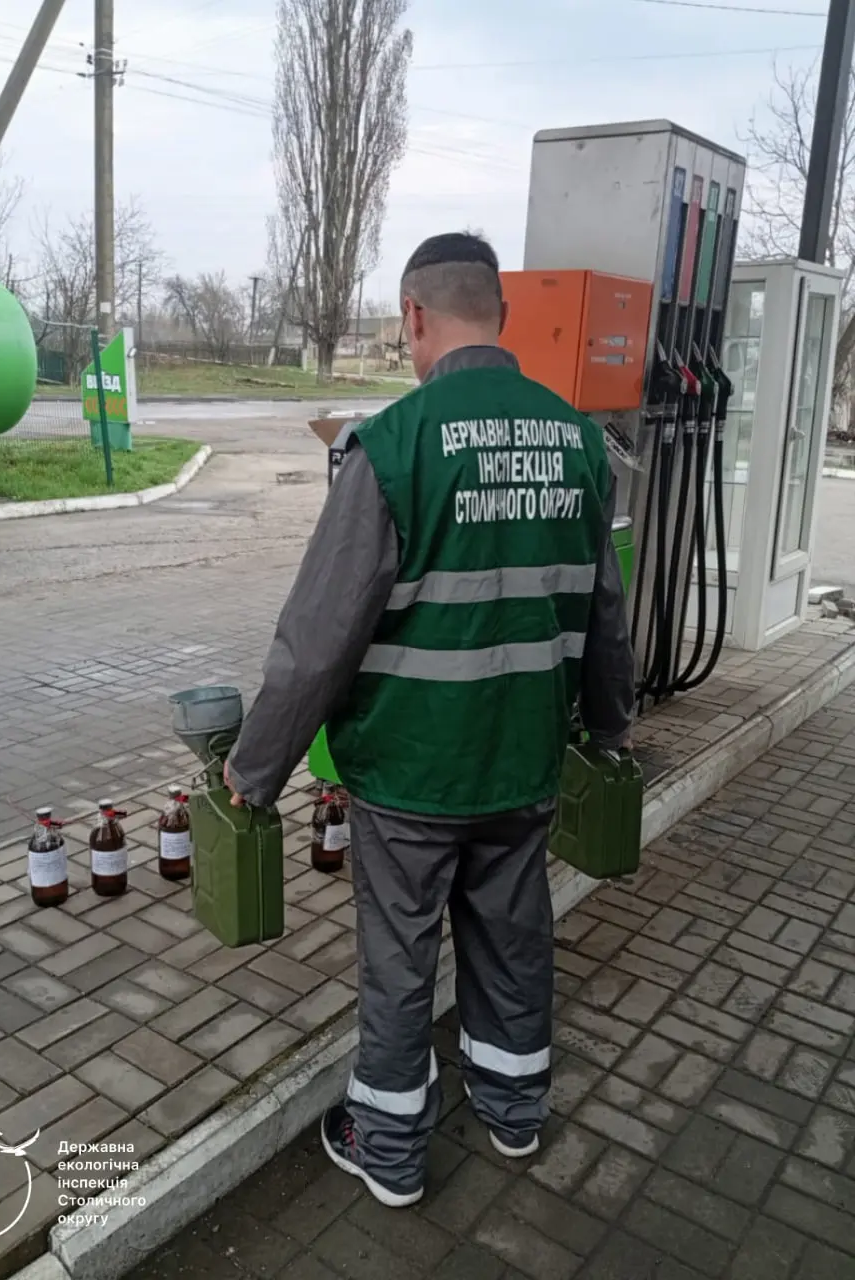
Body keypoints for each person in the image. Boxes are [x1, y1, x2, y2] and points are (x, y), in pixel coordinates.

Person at [225, 231, 634, 1209]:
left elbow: (317, 637)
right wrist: (608, 729)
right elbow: (604, 610)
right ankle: (513, 1107)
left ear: (415, 315)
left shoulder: (397, 443)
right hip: (525, 762)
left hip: (410, 774)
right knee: (511, 935)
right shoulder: (579, 441)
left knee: (402, 963)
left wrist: (255, 768)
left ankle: (393, 1148)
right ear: (500, 313)